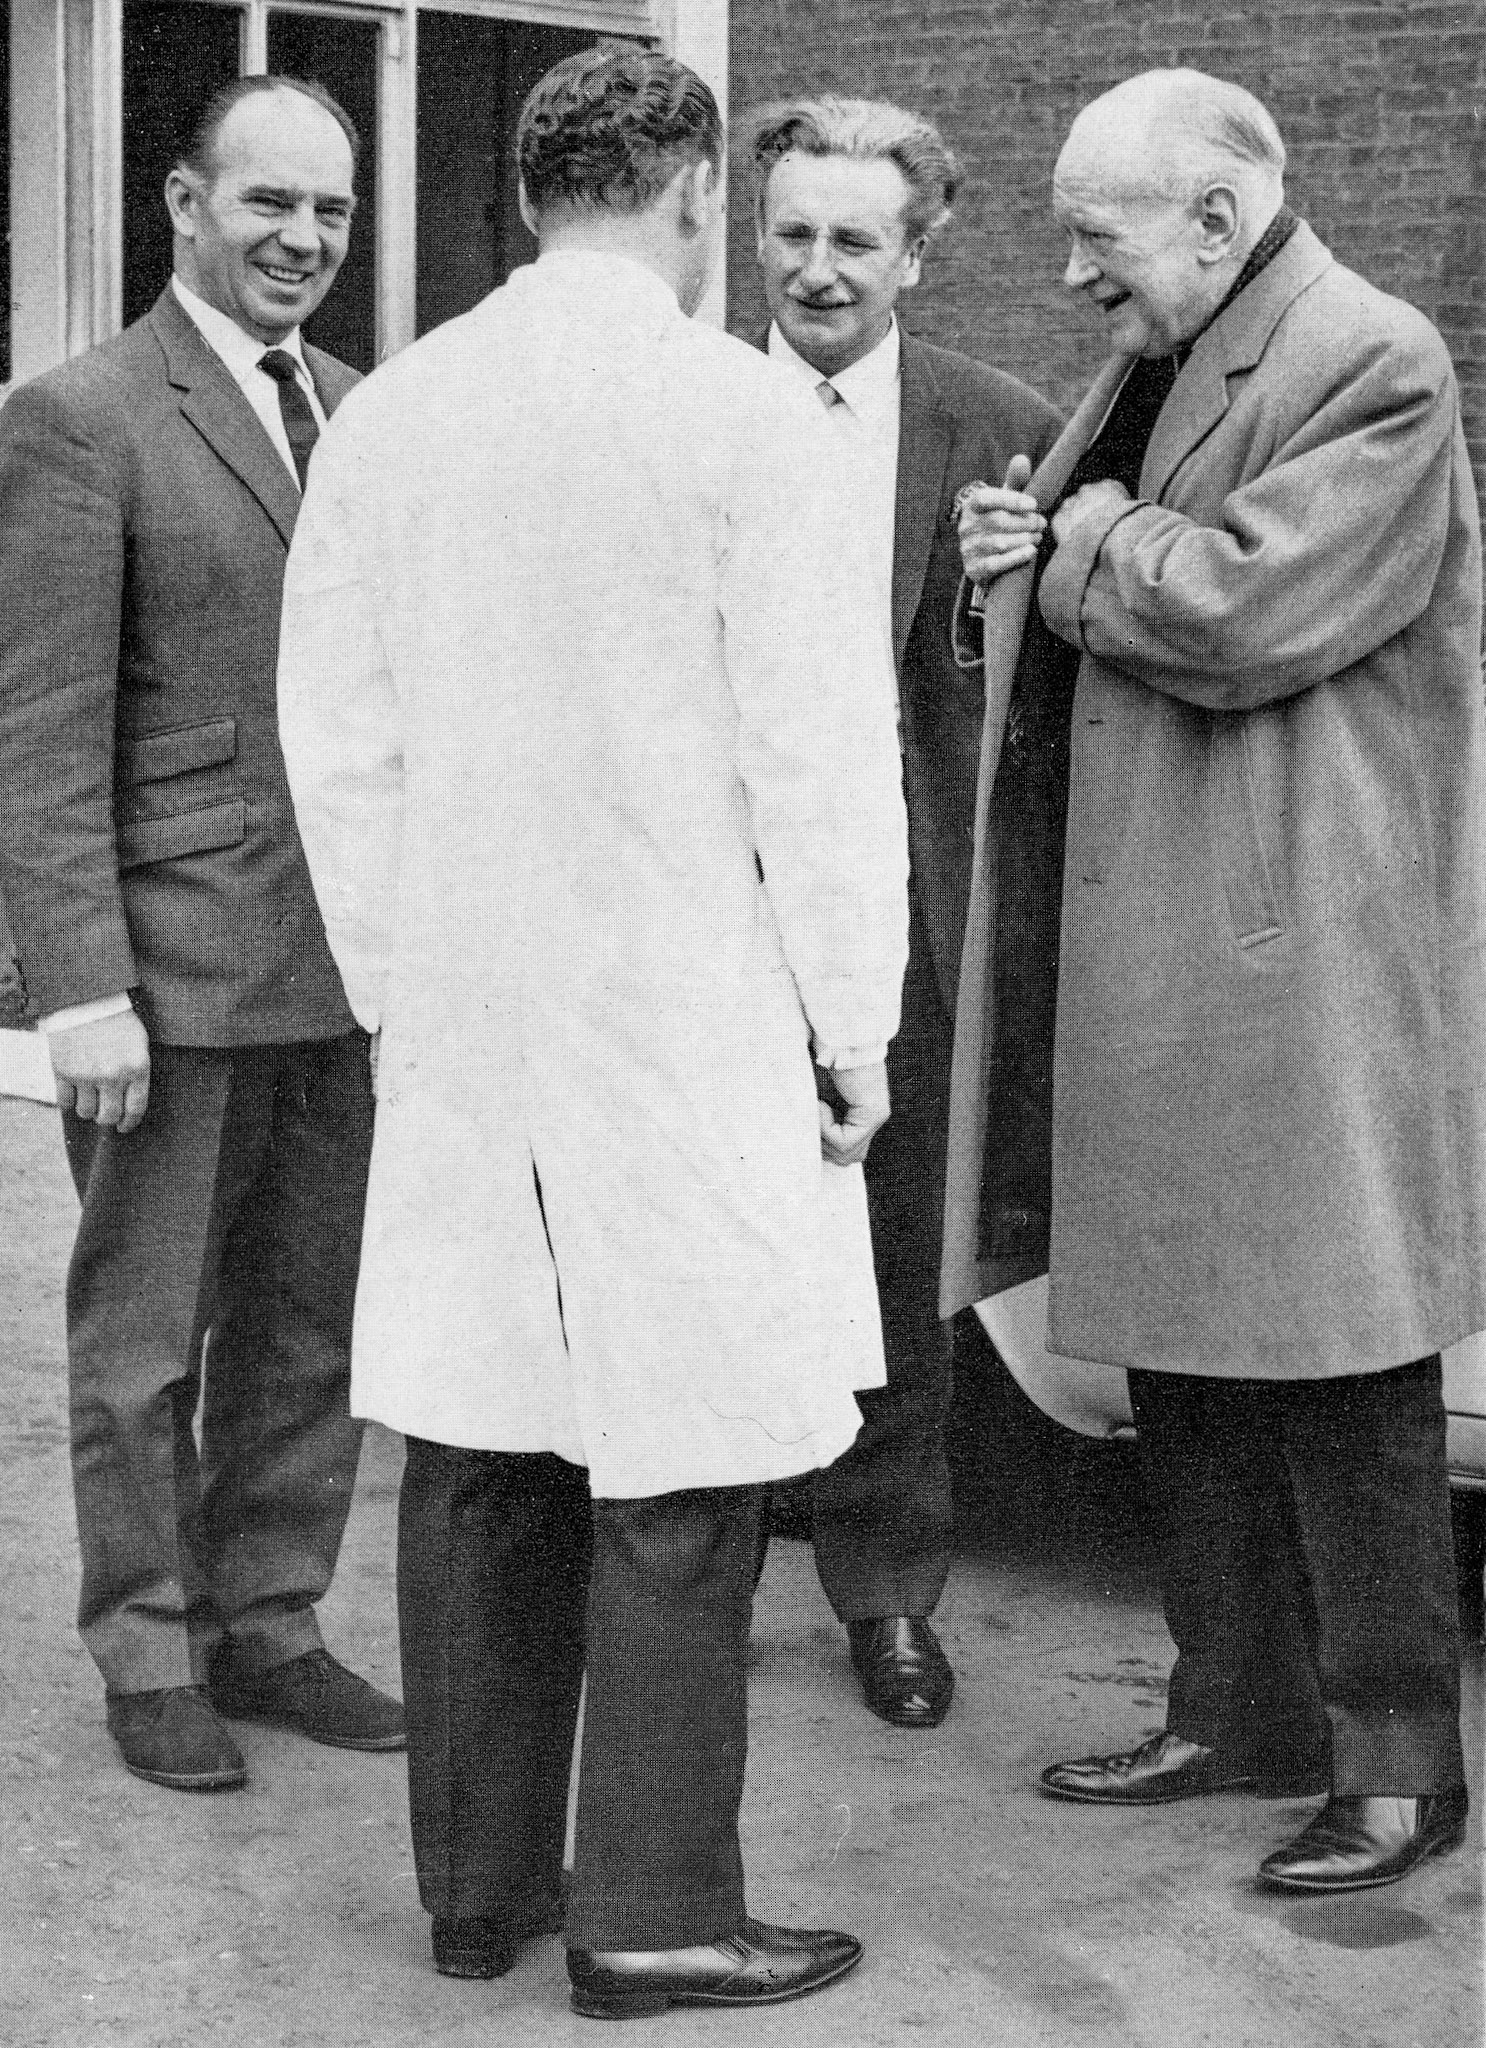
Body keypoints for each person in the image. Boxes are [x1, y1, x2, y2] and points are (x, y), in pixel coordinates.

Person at [276, 47, 910, 2018]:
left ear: (531, 193)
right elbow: (815, 758)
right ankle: (650, 1909)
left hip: (470, 1020)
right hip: (685, 1014)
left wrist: (405, 978)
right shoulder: (743, 418)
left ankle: (476, 1897)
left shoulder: (395, 418)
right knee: (682, 1463)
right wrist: (853, 1015)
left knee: (476, 1442)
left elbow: (336, 737)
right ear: (692, 195)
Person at [946, 67, 1483, 1895]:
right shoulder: (1166, 354)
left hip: (1288, 954)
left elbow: (1249, 607)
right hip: (1167, 943)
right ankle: (1233, 1706)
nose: (1073, 274)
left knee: (1339, 1361)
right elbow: (1106, 561)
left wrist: (1068, 541)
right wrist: (1020, 555)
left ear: (1214, 218)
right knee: (1185, 1346)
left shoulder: (1370, 357)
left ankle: (1402, 1766)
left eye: (1095, 237)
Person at [0, 76, 404, 1792]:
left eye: (328, 211)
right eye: (267, 206)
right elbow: (37, 727)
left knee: (314, 1329)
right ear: (183, 203)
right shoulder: (80, 417)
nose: (303, 241)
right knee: (145, 1343)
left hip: (345, 966)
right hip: (167, 968)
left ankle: (274, 1621)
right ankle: (151, 1644)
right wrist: (78, 988)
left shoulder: (364, 410)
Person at [747, 96, 1060, 1730]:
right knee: (718, 1259)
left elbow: (1046, 696)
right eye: (789, 233)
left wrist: (1024, 576)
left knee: (892, 1266)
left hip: (915, 921)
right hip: (714, 925)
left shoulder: (999, 429)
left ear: (918, 253)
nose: (815, 269)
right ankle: (693, 1579)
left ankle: (884, 1595)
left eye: (853, 240)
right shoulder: (693, 408)